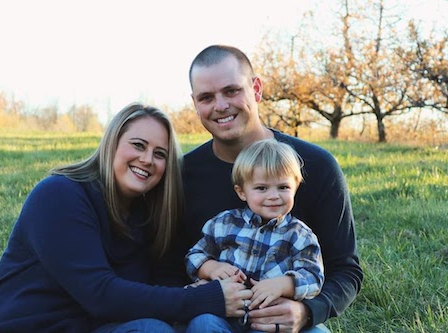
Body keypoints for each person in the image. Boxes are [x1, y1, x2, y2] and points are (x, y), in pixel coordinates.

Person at [0, 103, 252, 333]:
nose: (147, 159)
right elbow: (100, 295)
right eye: (138, 145)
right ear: (112, 143)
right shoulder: (60, 194)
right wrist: (206, 298)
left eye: (160, 154)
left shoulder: (142, 216)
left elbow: (143, 293)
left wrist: (204, 283)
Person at [155, 45, 363, 333]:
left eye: (231, 91)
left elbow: (345, 269)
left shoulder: (316, 165)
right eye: (206, 97)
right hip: (211, 317)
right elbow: (167, 266)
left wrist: (305, 312)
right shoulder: (180, 176)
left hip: (284, 321)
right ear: (195, 104)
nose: (220, 106)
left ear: (256, 89)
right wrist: (199, 293)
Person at [185, 139, 325, 332]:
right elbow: (195, 255)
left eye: (283, 187)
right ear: (242, 192)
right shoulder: (224, 223)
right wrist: (211, 268)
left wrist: (283, 285)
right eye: (261, 188)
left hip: (268, 320)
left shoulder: (300, 235)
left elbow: (314, 276)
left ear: (295, 186)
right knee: (202, 324)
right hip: (223, 314)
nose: (273, 196)